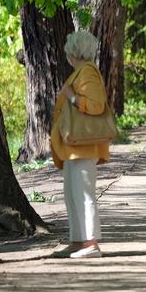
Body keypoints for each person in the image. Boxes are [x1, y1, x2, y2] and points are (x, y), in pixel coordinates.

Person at [50, 30, 108, 259]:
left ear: (74, 52)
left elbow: (96, 106)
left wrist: (72, 97)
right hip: (74, 145)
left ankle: (91, 244)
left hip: (84, 144)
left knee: (83, 193)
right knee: (72, 194)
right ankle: (77, 241)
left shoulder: (88, 73)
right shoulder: (81, 72)